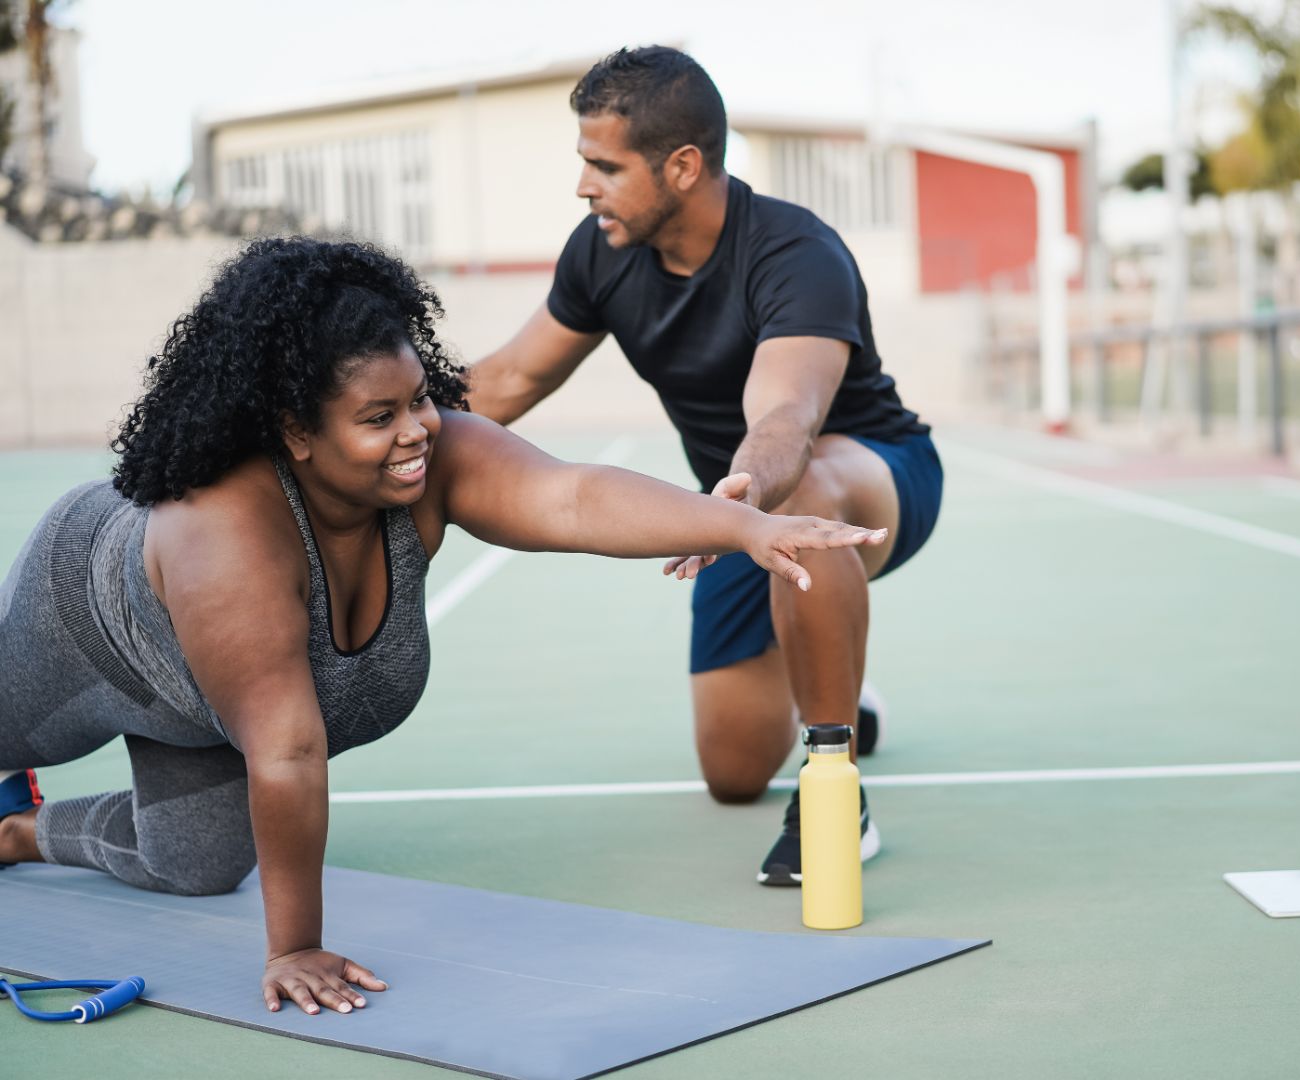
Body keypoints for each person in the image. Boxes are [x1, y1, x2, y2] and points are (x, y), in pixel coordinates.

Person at [0, 236, 886, 1016]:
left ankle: (17, 830)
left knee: (196, 866)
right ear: (295, 432)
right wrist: (294, 947)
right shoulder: (225, 535)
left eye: (419, 399)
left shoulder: (435, 459)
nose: (417, 430)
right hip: (84, 625)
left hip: (203, 703)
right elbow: (288, 753)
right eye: (378, 418)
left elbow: (572, 498)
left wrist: (744, 527)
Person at [467, 46, 942, 886]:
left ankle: (833, 787)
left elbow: (786, 417)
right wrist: (371, 431)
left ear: (683, 166)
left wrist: (739, 504)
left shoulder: (796, 252)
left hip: (869, 478)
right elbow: (506, 381)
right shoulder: (601, 251)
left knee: (806, 490)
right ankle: (836, 679)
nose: (583, 187)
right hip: (735, 503)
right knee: (732, 773)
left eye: (605, 167)